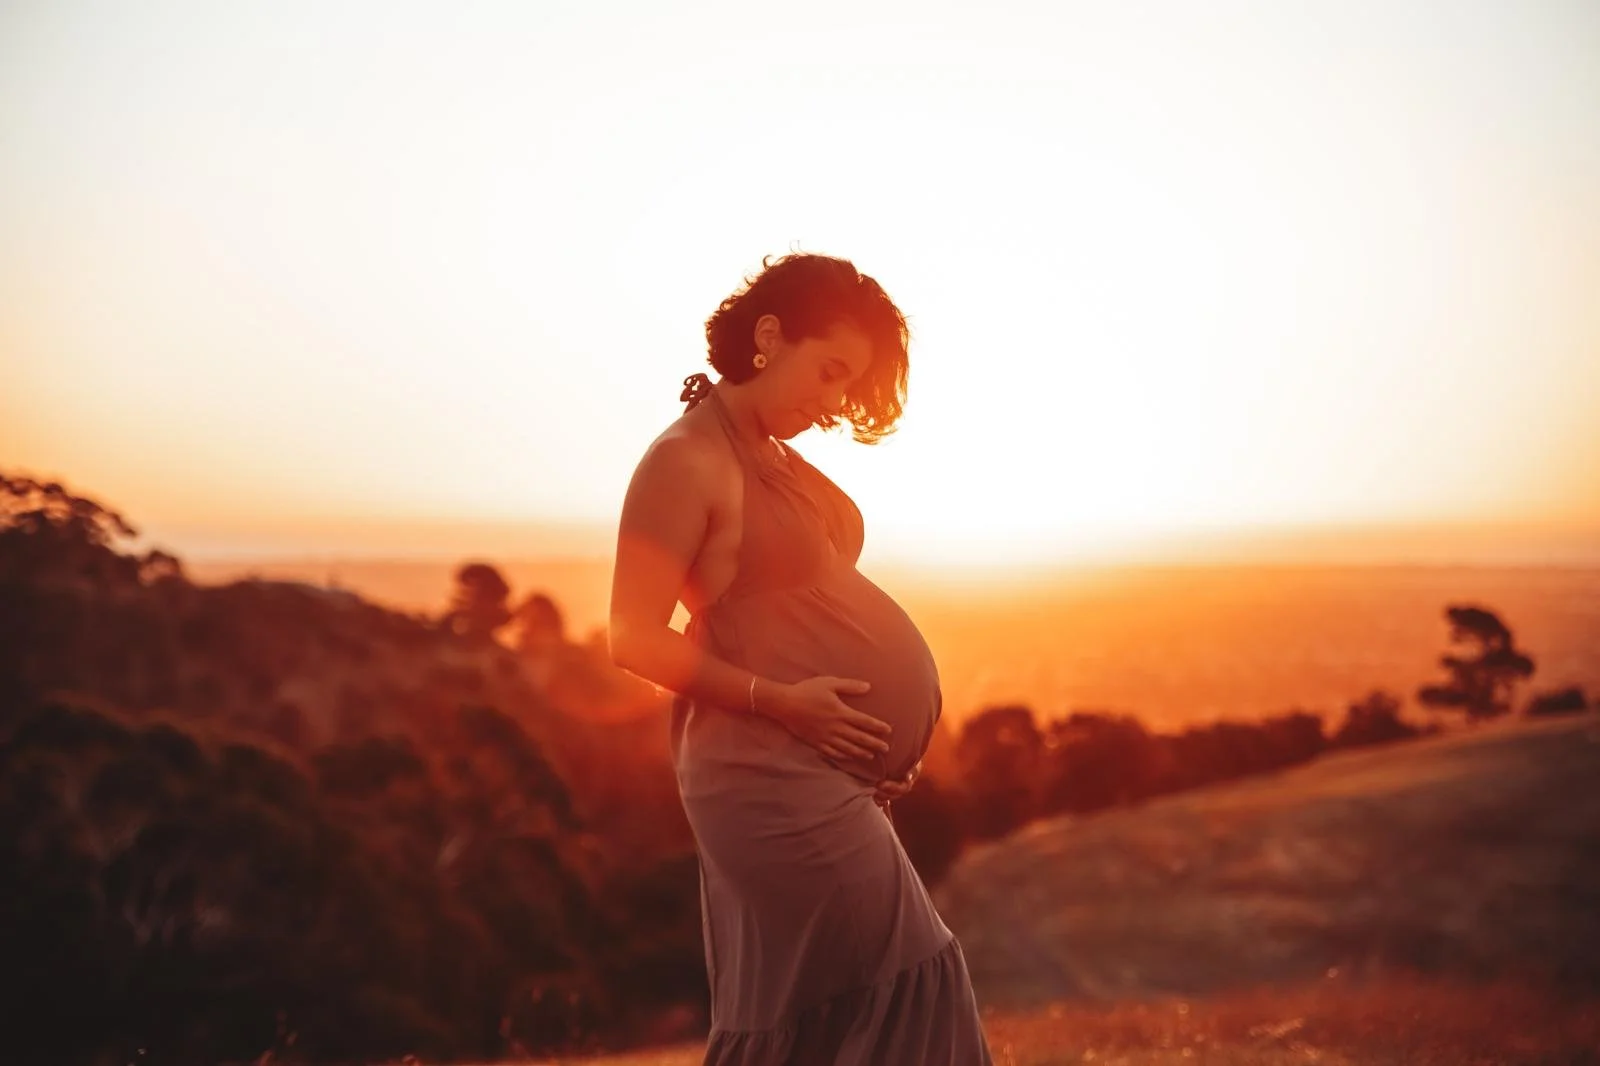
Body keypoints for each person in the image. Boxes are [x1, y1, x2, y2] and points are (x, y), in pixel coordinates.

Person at [608, 252, 994, 1064]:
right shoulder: (685, 461)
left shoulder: (775, 458)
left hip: (819, 769)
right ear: (771, 334)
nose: (831, 405)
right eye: (827, 374)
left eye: (845, 388)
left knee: (831, 1013)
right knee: (914, 982)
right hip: (758, 770)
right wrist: (787, 704)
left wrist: (872, 746)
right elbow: (632, 635)